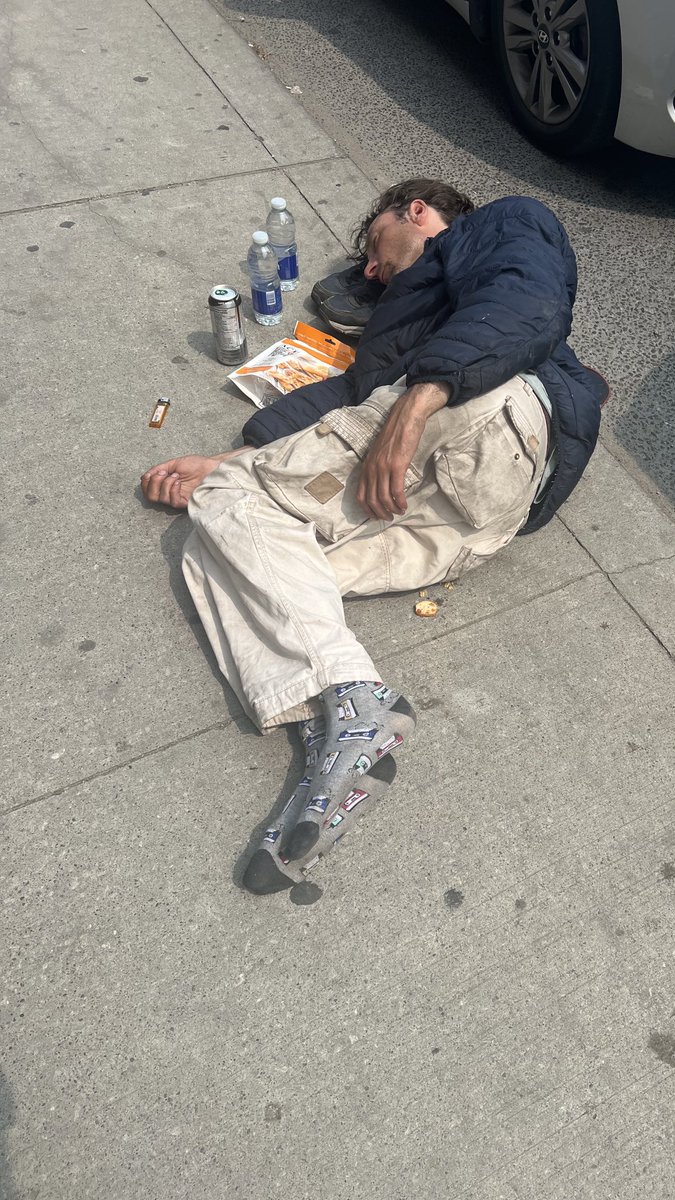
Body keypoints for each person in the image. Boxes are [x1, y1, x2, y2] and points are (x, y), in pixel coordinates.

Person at [141, 179, 608, 894]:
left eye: (373, 249)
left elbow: (528, 301)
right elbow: (344, 407)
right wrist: (232, 459)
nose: (369, 269)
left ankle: (352, 708)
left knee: (231, 502)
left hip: (485, 412)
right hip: (475, 520)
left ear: (415, 211)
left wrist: (418, 401)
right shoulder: (396, 329)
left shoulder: (504, 225)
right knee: (240, 553)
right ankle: (337, 727)